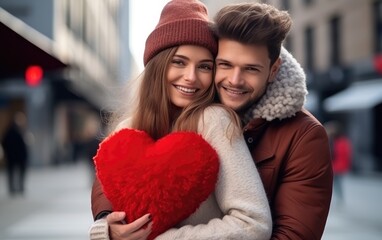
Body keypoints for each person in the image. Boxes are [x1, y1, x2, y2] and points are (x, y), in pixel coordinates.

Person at [88, 0, 272, 240]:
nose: (191, 77)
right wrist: (106, 231)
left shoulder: (214, 121)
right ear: (158, 66)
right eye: (179, 62)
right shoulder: (127, 129)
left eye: (204, 66)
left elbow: (253, 223)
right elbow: (114, 212)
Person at [210, 3, 333, 239]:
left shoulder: (305, 136)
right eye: (225, 64)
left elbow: (293, 235)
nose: (234, 80)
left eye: (251, 69)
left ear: (273, 70)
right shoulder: (189, 113)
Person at [1, 111, 28, 196]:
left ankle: (18, 187)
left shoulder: (19, 130)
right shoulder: (12, 131)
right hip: (14, 156)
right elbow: (4, 142)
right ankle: (14, 188)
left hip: (16, 156)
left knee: (16, 172)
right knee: (12, 172)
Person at [325, 121, 352, 204]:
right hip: (335, 166)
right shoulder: (334, 141)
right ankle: (338, 198)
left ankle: (338, 198)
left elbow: (345, 155)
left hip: (337, 166)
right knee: (335, 183)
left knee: (335, 183)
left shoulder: (338, 142)